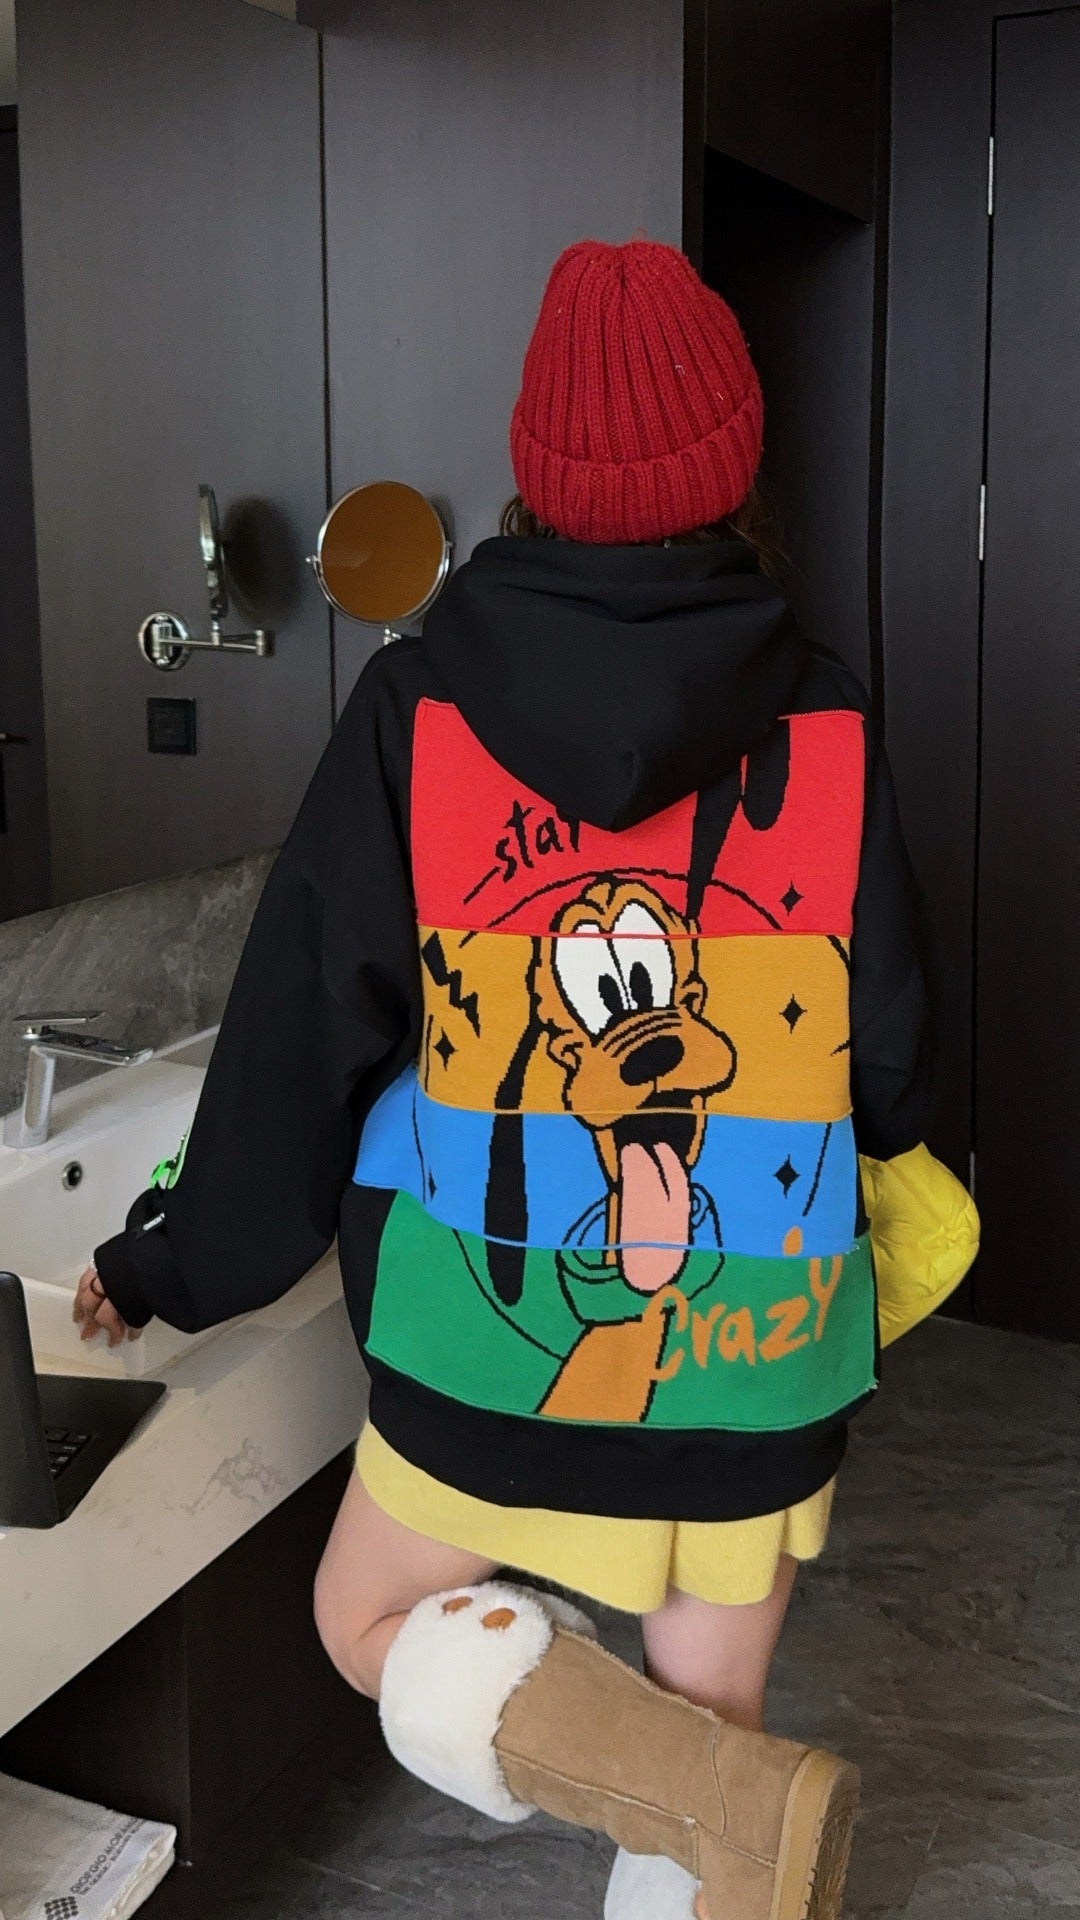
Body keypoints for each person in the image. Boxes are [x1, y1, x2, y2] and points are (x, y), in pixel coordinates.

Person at [76, 239, 979, 1920]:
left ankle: (624, 1742)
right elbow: (895, 1049)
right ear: (734, 467)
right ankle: (721, 1809)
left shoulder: (415, 712)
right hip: (757, 1348)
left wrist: (169, 1262)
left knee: (367, 1623)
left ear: (536, 477)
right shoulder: (830, 720)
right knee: (708, 1766)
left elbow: (298, 1046)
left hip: (485, 1345)